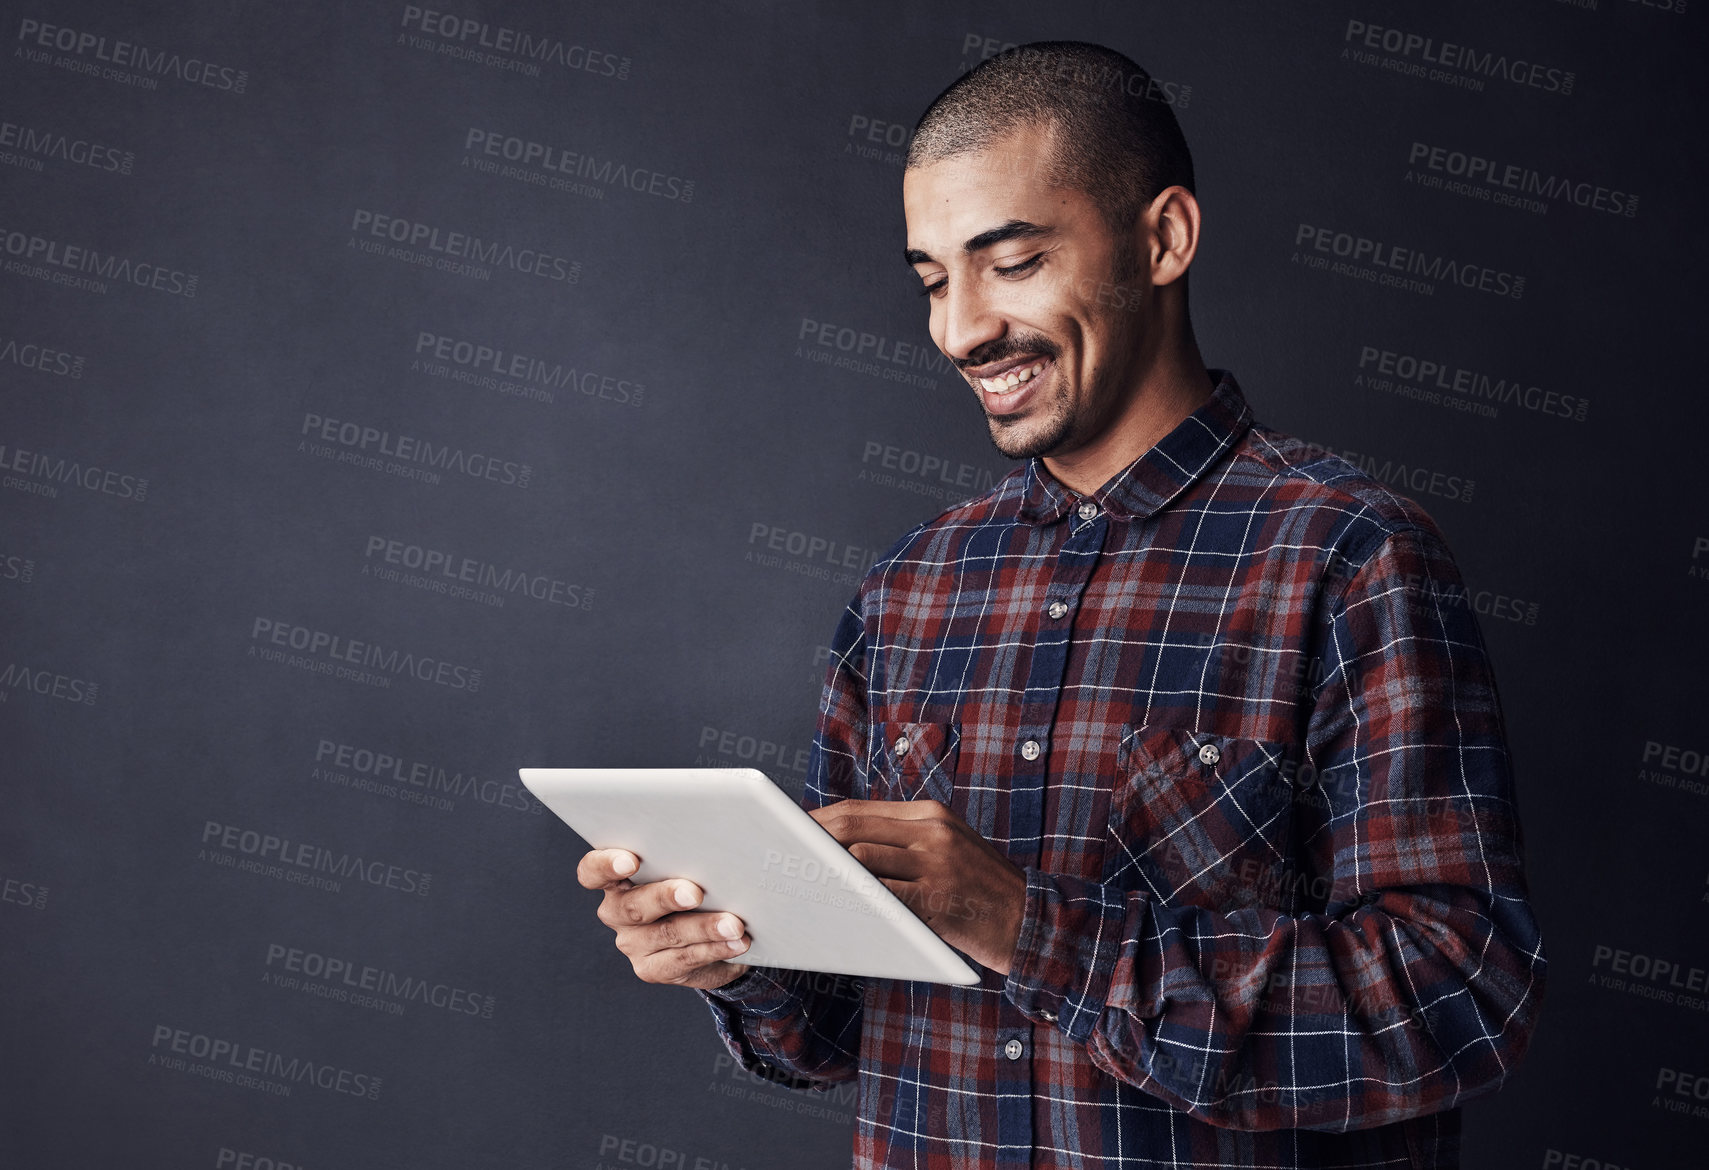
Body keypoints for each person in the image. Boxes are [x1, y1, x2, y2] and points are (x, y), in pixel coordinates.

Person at [578, 40, 1545, 1169]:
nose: (960, 330)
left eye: (1013, 262)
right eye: (935, 280)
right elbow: (834, 1031)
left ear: (1164, 239)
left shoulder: (1347, 555)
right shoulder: (909, 588)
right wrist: (734, 957)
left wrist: (1029, 928)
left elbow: (1457, 998)